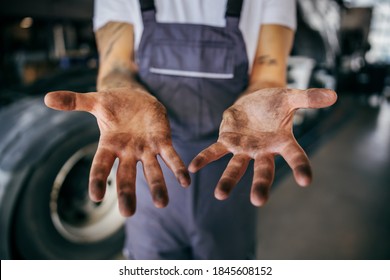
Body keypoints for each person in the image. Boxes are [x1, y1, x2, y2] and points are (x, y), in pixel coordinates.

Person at [44, 0, 337, 259]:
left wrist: (263, 96)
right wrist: (121, 90)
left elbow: (268, 71)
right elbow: (116, 65)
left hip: (230, 167)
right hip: (152, 166)